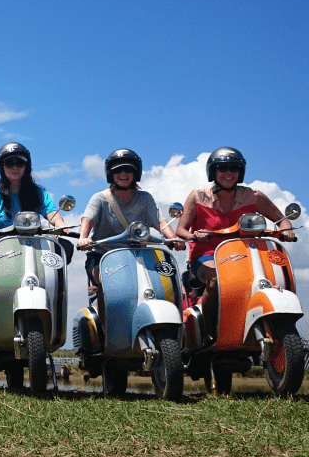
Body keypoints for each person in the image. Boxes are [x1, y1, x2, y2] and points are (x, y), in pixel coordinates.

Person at [175, 147, 296, 342]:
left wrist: (285, 229)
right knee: (215, 280)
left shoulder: (254, 196)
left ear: (241, 172)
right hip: (207, 256)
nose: (228, 173)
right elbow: (180, 230)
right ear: (213, 172)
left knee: (272, 278)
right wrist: (195, 234)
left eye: (234, 168)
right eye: (223, 168)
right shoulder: (198, 196)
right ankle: (208, 332)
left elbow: (282, 219)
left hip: (245, 255)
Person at [77, 149, 184, 306]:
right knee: (108, 282)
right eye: (117, 170)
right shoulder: (100, 198)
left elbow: (159, 222)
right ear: (110, 173)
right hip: (104, 257)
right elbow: (88, 219)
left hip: (141, 257)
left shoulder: (145, 198)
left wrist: (173, 238)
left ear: (136, 173)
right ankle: (105, 326)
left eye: (128, 169)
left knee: (168, 283)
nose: (123, 173)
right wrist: (83, 238)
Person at [0, 142, 73, 273]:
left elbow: (52, 214)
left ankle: (58, 293)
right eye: (9, 163)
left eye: (19, 163)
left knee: (63, 251)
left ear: (27, 166)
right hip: (1, 253)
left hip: (34, 251)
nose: (15, 167)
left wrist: (60, 224)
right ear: (1, 167)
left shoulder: (39, 193)